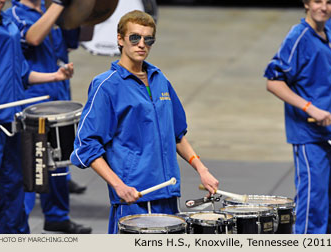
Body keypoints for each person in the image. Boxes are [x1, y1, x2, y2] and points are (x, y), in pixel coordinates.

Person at [70, 10, 219, 234]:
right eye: (135, 38)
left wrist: (202, 169)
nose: (142, 44)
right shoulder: (106, 86)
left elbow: (177, 135)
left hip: (168, 194)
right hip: (134, 199)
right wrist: (118, 186)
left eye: (148, 39)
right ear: (120, 39)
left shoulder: (160, 80)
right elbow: (86, 146)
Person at [6, 0, 91, 234]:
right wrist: (59, 5)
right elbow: (33, 38)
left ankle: (57, 216)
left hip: (59, 92)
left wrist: (91, 9)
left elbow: (74, 39)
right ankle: (18, 227)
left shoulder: (50, 9)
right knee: (32, 167)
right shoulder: (15, 14)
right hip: (34, 99)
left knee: (60, 162)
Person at [0, 0, 73, 234]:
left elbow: (21, 73)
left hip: (12, 124)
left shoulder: (7, 22)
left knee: (13, 194)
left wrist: (55, 77)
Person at [264, 0, 331, 234]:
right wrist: (311, 108)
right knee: (313, 206)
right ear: (307, 3)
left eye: (329, 2)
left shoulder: (330, 33)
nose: (324, 7)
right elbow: (274, 81)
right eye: (318, 1)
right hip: (310, 136)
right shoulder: (298, 37)